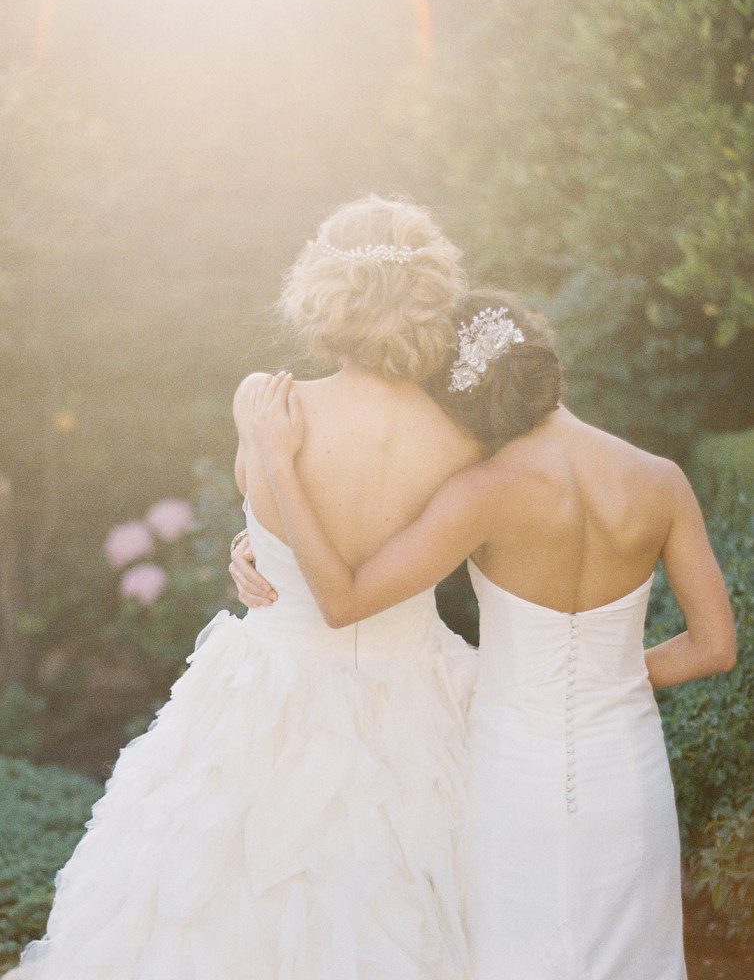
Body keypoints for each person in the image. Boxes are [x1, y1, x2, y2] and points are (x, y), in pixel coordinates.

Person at [11, 196, 485, 980]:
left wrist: (256, 536)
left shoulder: (266, 402)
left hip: (271, 691)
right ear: (432, 294)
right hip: (420, 696)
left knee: (220, 901)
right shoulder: (462, 435)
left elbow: (291, 531)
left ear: (323, 292)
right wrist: (256, 544)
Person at [243, 290, 737, 980]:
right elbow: (715, 647)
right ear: (549, 362)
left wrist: (277, 473)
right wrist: (609, 680)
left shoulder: (482, 492)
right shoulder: (660, 480)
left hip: (514, 773)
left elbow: (342, 598)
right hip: (628, 772)